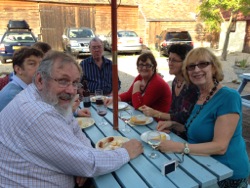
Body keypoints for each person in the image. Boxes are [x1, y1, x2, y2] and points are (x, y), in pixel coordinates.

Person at [0, 51, 143, 187]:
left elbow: (74, 127)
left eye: (75, 83)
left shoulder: (48, 99)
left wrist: (80, 164)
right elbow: (90, 164)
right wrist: (126, 152)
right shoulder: (38, 113)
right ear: (40, 80)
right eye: (63, 81)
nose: (71, 90)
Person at [157, 47, 249, 187]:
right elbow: (197, 129)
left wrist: (178, 147)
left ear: (213, 67)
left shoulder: (228, 97)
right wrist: (173, 124)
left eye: (203, 64)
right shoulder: (200, 96)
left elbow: (220, 147)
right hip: (202, 164)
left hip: (227, 173)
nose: (196, 70)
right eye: (191, 66)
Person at [140, 44, 199, 137]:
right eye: (169, 59)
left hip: (187, 136)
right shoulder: (176, 81)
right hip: (173, 130)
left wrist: (156, 113)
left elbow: (183, 116)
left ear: (185, 63)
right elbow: (172, 111)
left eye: (174, 60)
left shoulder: (192, 85)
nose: (170, 63)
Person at [106, 52, 172, 114]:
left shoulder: (157, 82)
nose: (144, 68)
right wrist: (114, 98)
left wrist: (136, 87)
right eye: (141, 65)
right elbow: (129, 95)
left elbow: (139, 107)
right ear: (137, 68)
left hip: (158, 121)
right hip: (145, 117)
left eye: (148, 65)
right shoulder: (140, 77)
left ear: (153, 67)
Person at [0, 47, 43, 112]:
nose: (39, 67)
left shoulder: (29, 87)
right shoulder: (13, 96)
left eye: (41, 63)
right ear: (18, 69)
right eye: (32, 64)